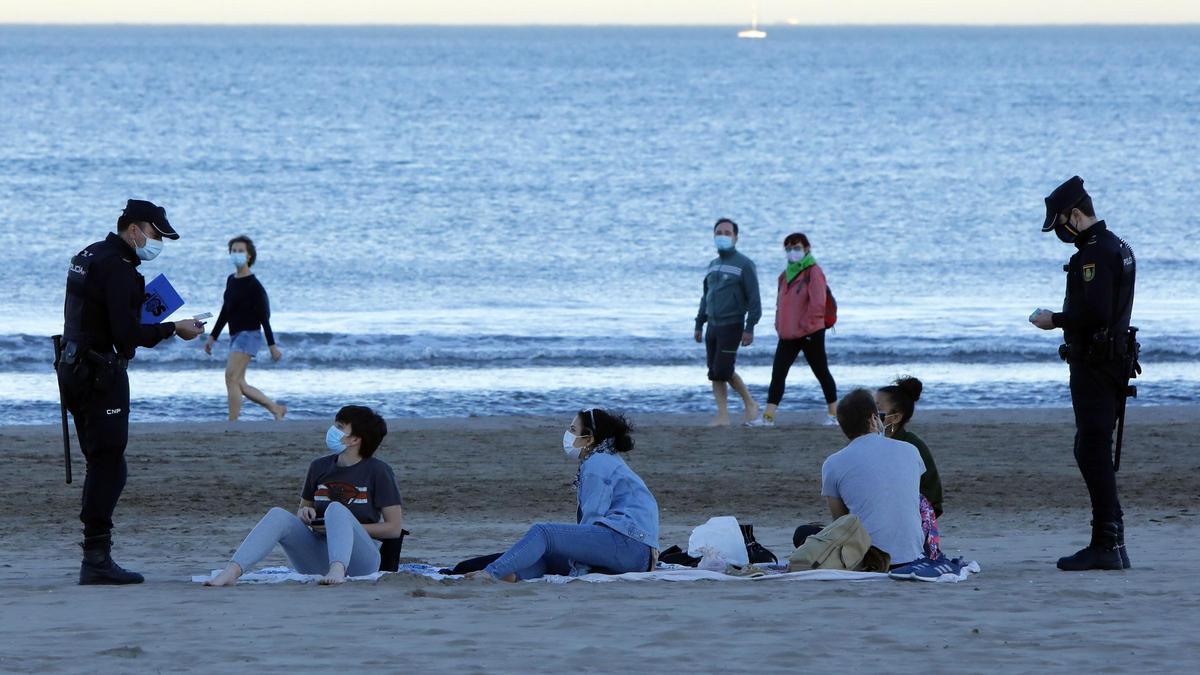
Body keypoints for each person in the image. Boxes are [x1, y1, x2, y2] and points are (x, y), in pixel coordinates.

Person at [58, 199, 206, 585]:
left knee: (101, 462)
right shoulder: (119, 268)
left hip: (73, 367)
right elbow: (126, 334)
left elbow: (96, 312)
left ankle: (96, 554)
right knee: (109, 464)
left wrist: (143, 310)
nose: (158, 243)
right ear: (134, 229)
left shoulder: (90, 254)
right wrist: (174, 328)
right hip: (99, 373)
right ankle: (96, 558)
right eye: (156, 234)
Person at [1031, 176, 1136, 571]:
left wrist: (1053, 319)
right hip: (1110, 361)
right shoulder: (1118, 247)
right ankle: (1111, 541)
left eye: (1061, 221)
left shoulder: (1094, 253)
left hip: (1095, 364)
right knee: (1093, 447)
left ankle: (1107, 543)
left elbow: (1095, 313)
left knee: (1091, 448)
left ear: (1076, 214)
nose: (1060, 230)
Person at [205, 405, 403, 586]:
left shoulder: (378, 471)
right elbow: (304, 509)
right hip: (316, 557)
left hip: (361, 560)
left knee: (336, 510)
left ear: (355, 439)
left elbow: (394, 528)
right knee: (278, 515)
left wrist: (339, 527)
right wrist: (304, 513)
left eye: (340, 427)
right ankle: (232, 571)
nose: (332, 430)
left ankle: (338, 569)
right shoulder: (319, 467)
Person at [472, 408, 659, 581]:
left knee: (543, 533)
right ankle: (511, 576)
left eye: (572, 430)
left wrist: (580, 568)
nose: (568, 435)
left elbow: (592, 517)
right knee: (548, 556)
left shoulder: (598, 463)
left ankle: (490, 574)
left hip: (628, 544)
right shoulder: (607, 458)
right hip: (638, 554)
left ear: (589, 438)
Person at [820, 389, 925, 567]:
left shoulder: (833, 463)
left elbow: (841, 522)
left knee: (803, 533)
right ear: (873, 419)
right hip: (912, 554)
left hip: (871, 559)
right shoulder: (911, 451)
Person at [750, 232, 838, 427]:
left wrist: (807, 327)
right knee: (778, 372)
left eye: (796, 247)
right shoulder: (784, 275)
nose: (792, 251)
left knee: (821, 371)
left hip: (810, 333)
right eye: (788, 248)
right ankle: (768, 417)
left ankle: (834, 414)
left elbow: (818, 303)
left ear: (806, 248)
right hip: (788, 334)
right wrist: (778, 324)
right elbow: (780, 303)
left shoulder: (813, 271)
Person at [204, 235, 285, 421]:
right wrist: (213, 337)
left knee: (230, 377)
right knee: (239, 382)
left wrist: (272, 345)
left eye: (241, 251)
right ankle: (276, 409)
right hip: (235, 335)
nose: (236, 254)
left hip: (250, 335)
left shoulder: (254, 286)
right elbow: (226, 311)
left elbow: (264, 317)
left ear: (249, 256)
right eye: (233, 251)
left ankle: (232, 422)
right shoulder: (231, 280)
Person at [694, 218, 762, 426]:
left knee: (724, 369)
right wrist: (699, 323)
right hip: (712, 325)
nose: (722, 236)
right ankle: (722, 415)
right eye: (719, 233)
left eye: (727, 233)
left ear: (735, 237)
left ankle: (750, 403)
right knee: (714, 372)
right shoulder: (712, 265)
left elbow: (754, 299)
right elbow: (706, 296)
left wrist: (750, 327)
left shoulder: (744, 264)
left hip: (732, 325)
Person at [876, 376, 943, 559]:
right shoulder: (873, 442)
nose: (870, 413)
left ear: (895, 417)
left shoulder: (912, 446)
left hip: (913, 517)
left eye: (877, 409)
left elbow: (933, 498)